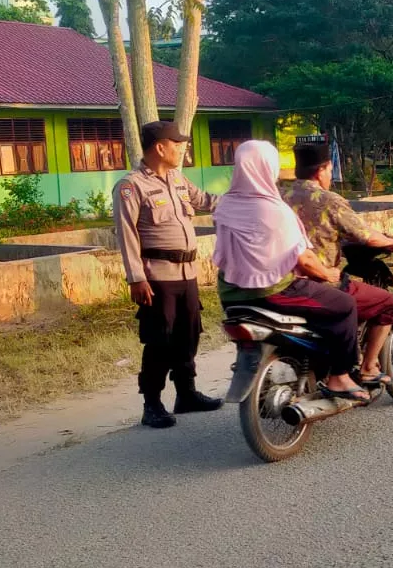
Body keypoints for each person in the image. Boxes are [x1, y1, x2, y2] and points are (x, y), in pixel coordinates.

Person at [213, 140, 369, 403]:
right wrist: (329, 274)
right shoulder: (274, 210)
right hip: (272, 291)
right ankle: (340, 376)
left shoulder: (225, 205)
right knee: (344, 304)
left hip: (231, 295)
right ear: (268, 167)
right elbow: (305, 259)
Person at [115, 120, 223, 429]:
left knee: (189, 334)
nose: (181, 150)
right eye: (177, 145)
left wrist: (247, 200)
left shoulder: (177, 179)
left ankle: (186, 394)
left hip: (186, 274)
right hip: (157, 276)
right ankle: (152, 403)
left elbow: (205, 201)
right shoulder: (131, 185)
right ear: (160, 147)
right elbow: (126, 234)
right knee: (160, 339)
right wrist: (136, 277)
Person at [284, 140, 393, 385]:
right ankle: (369, 367)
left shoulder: (280, 195)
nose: (331, 175)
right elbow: (365, 235)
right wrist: (392, 240)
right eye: (329, 170)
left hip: (283, 281)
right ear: (321, 170)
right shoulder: (328, 200)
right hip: (321, 280)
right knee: (386, 302)